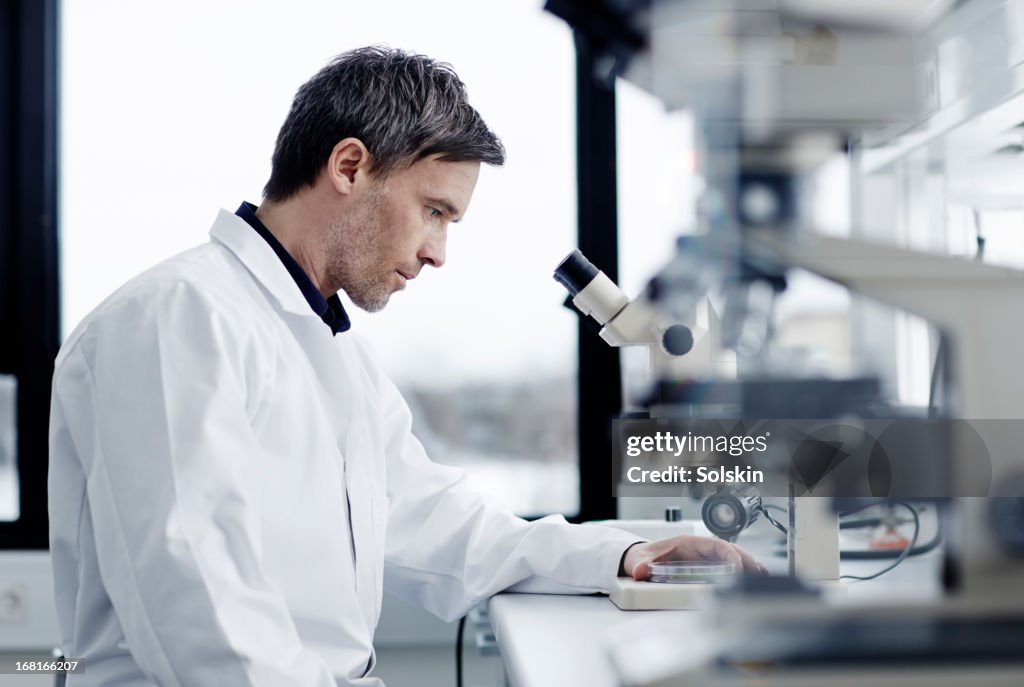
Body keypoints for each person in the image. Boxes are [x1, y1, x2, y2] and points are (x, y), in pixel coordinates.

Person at [48, 46, 762, 686]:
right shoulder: (179, 317)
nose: (437, 252)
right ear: (350, 167)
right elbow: (201, 613)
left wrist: (625, 552)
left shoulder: (333, 353)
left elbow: (442, 526)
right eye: (433, 211)